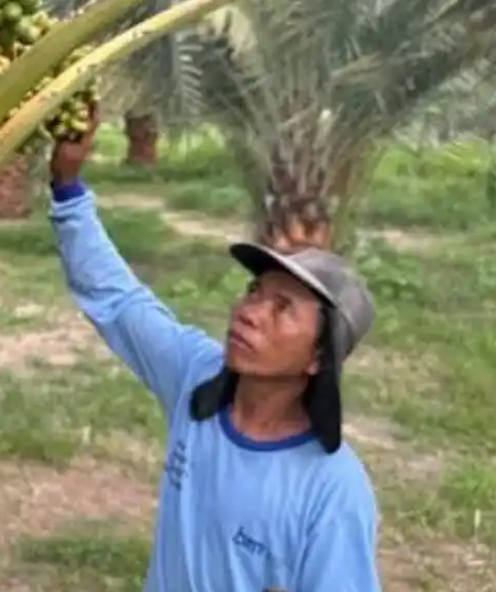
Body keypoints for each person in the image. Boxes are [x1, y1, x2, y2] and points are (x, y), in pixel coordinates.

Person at [49, 109, 382, 592]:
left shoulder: (332, 490)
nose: (249, 313)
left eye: (282, 307)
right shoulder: (198, 380)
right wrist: (67, 187)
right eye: (254, 292)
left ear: (318, 359)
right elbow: (120, 301)